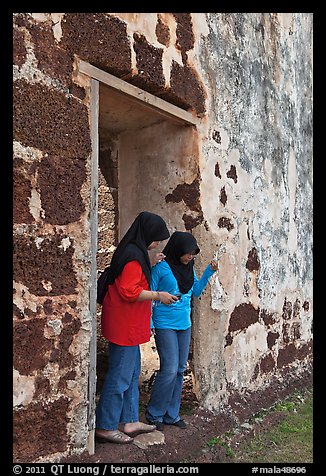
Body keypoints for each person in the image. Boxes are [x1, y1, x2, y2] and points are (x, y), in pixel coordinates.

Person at [95, 211, 179, 444]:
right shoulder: (133, 257)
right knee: (120, 375)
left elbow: (131, 280)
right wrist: (158, 295)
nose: (158, 243)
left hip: (127, 322)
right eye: (157, 239)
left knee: (131, 373)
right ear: (148, 234)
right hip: (125, 324)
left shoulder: (135, 252)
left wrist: (151, 263)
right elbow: (129, 291)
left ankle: (129, 420)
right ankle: (105, 425)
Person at [146, 231, 218, 431]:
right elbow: (150, 295)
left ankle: (171, 414)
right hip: (164, 323)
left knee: (179, 370)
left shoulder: (189, 268)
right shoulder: (161, 268)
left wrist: (209, 272)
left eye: (193, 254)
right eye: (188, 253)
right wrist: (150, 322)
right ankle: (154, 414)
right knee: (168, 370)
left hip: (184, 324)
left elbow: (195, 291)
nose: (190, 257)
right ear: (178, 249)